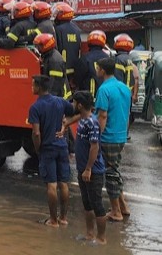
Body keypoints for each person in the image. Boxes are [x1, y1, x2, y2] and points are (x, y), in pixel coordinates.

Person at [28, 75, 75, 227]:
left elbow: (36, 133)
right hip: (62, 147)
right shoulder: (60, 101)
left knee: (51, 185)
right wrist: (65, 126)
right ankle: (63, 218)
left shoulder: (35, 107)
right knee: (64, 183)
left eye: (33, 85)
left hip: (47, 148)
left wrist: (37, 149)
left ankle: (53, 220)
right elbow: (74, 111)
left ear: (39, 88)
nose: (31, 87)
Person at [62, 91, 107, 244]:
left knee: (97, 204)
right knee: (87, 203)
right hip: (83, 169)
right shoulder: (82, 119)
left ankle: (101, 239)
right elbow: (75, 118)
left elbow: (94, 147)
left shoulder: (92, 123)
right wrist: (66, 124)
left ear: (80, 105)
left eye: (74, 103)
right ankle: (89, 234)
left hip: (93, 171)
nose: (72, 105)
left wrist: (88, 168)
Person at [94, 57, 132, 222]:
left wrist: (96, 136)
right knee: (114, 171)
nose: (96, 70)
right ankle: (123, 207)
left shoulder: (104, 90)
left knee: (110, 174)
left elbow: (102, 115)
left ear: (102, 70)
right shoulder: (124, 88)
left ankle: (116, 211)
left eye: (98, 68)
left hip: (108, 136)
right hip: (121, 135)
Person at [113, 33, 140, 140]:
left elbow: (117, 78)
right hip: (127, 93)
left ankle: (119, 134)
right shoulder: (129, 60)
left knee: (117, 114)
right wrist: (134, 94)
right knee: (126, 114)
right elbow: (135, 79)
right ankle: (125, 134)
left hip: (119, 92)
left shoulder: (118, 60)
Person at [34, 33, 70, 99]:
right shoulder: (48, 55)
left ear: (46, 45)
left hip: (61, 97)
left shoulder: (54, 61)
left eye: (39, 46)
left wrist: (48, 100)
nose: (37, 48)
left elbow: (54, 84)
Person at [75, 30, 110, 96]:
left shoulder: (85, 58)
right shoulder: (108, 57)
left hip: (89, 96)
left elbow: (78, 77)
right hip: (105, 94)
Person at [53, 2, 82, 82]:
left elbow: (56, 47)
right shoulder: (77, 29)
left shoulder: (58, 29)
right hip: (75, 66)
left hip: (62, 66)